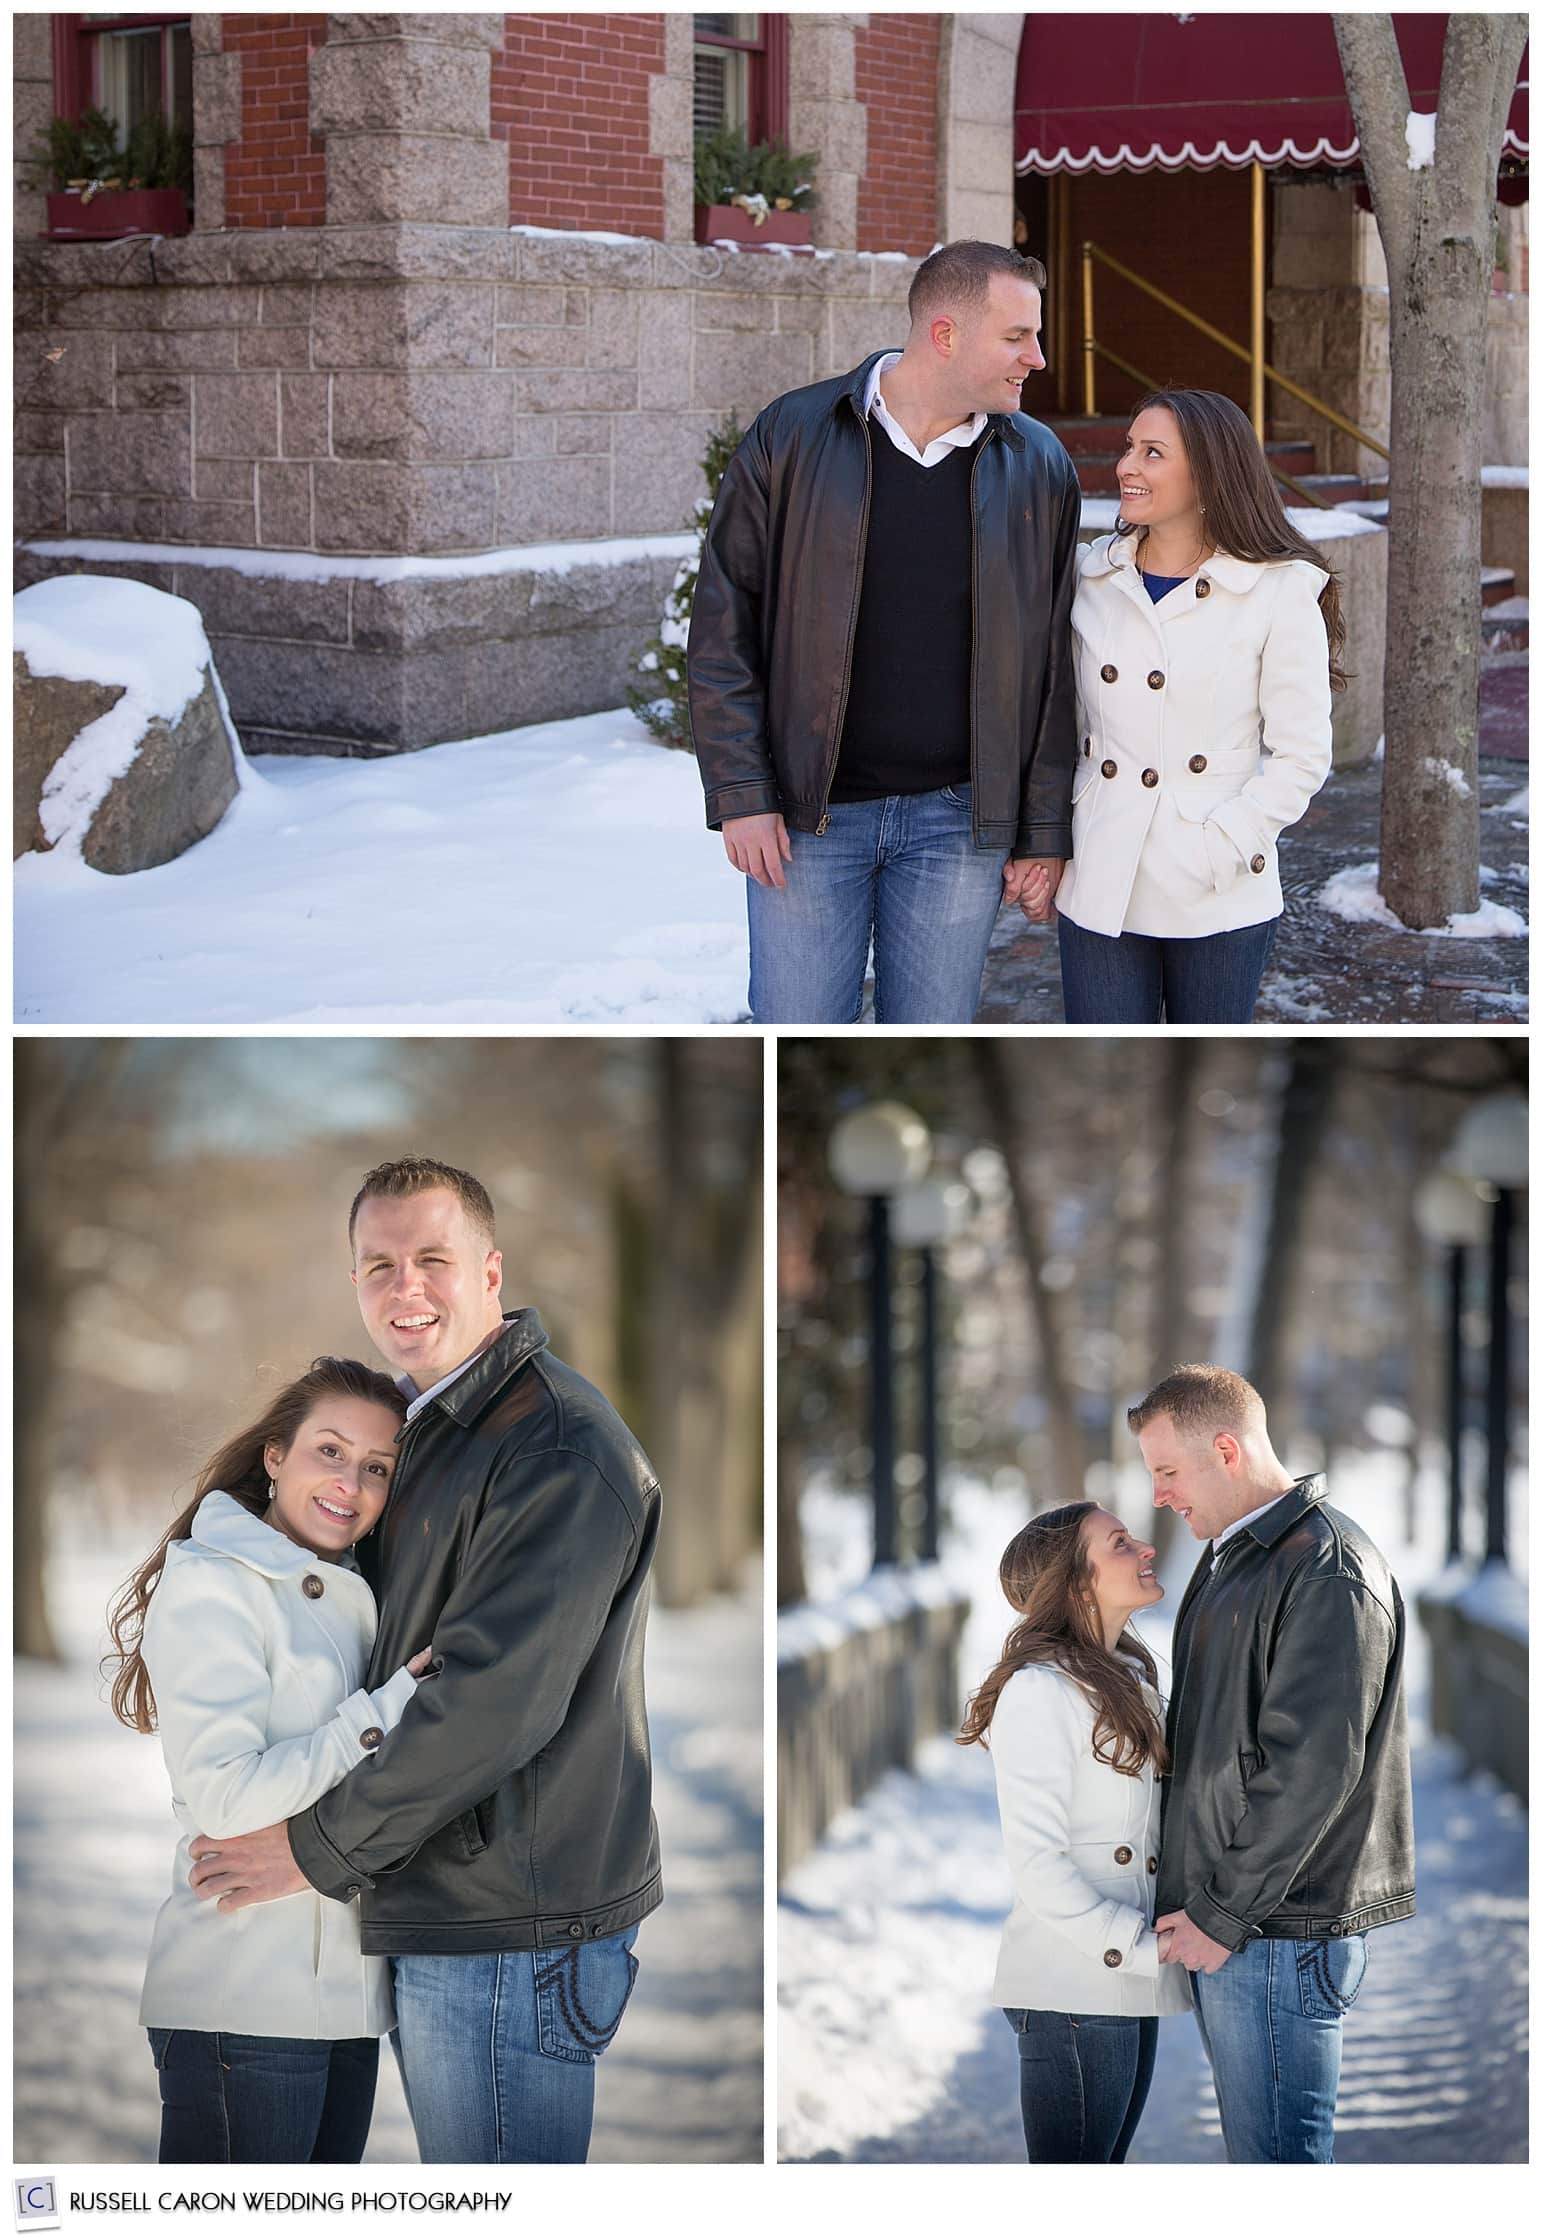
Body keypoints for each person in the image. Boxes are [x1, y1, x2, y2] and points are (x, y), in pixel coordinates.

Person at [184, 1157, 663, 2165]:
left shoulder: (554, 1450)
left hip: (507, 1925)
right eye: (378, 1265)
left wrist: (314, 1851)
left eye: (432, 1260)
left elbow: (494, 1706)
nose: (405, 1289)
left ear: (491, 1272)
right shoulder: (427, 1429)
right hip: (446, 1897)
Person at [688, 237, 1082, 1023]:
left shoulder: (1038, 464)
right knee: (793, 1042)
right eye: (1016, 337)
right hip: (807, 821)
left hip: (957, 825)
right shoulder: (794, 435)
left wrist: (1041, 831)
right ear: (945, 334)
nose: (1035, 358)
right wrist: (741, 792)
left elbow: (1053, 670)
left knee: (928, 1048)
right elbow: (726, 620)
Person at [107, 1356, 433, 2163]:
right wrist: (380, 1713)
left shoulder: (358, 1587)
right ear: (275, 1455)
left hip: (345, 2006)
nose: (349, 1483)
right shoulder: (216, 1584)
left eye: (376, 1467)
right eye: (329, 1450)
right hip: (239, 1997)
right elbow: (225, 1799)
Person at [1129, 1364, 1415, 2163]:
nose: (1159, 1495)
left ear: (1225, 1448)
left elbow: (1313, 1767)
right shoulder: (1237, 1560)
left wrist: (1222, 1912)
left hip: (1276, 1933)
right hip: (1248, 1925)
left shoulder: (1324, 1570)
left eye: (1168, 1472)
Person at [1048, 388, 1341, 1023]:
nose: (1127, 465)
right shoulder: (1088, 577)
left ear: (1209, 471)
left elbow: (1302, 755)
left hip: (1218, 887)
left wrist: (1224, 845)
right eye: (1130, 447)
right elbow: (1054, 728)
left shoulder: (1276, 591)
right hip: (1102, 873)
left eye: (1152, 453)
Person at [961, 1504, 1190, 2164]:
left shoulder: (1132, 1678)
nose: (1144, 1547)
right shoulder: (1038, 1692)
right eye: (1119, 1543)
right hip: (1075, 1987)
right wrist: (1136, 1942)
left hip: (1123, 1981)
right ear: (1075, 1584)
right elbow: (1037, 1866)